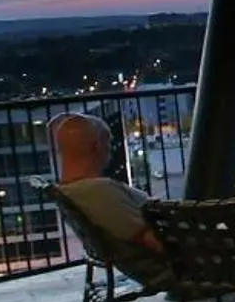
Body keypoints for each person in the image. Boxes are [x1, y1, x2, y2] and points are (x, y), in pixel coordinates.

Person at [50, 113, 172, 289]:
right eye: (108, 143)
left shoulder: (71, 190)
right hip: (169, 267)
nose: (111, 149)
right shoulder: (98, 193)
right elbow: (154, 241)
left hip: (141, 264)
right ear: (97, 146)